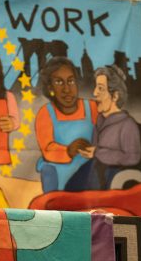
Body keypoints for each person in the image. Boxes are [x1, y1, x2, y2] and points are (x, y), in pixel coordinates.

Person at [66, 65, 141, 191]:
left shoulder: (128, 125)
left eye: (100, 88)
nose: (95, 93)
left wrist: (97, 153)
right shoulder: (100, 121)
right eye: (96, 87)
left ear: (115, 96)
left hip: (113, 181)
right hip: (94, 174)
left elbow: (132, 158)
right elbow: (96, 151)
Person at [33, 57, 97, 192]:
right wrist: (68, 151)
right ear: (50, 87)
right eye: (59, 82)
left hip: (89, 170)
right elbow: (47, 149)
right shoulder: (46, 113)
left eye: (71, 81)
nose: (66, 89)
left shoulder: (92, 107)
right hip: (56, 171)